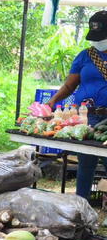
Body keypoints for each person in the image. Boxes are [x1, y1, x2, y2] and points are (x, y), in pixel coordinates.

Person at [46, 11, 107, 199]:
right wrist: (53, 101)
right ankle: (81, 207)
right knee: (85, 165)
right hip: (86, 117)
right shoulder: (85, 56)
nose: (98, 41)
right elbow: (70, 85)